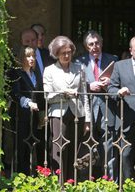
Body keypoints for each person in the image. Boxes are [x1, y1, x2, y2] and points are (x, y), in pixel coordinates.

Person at [43, 36, 90, 181]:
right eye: (63, 52)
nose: (67, 55)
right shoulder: (49, 70)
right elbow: (47, 96)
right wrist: (64, 94)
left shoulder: (79, 68)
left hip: (77, 114)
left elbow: (84, 95)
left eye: (69, 52)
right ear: (56, 53)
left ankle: (72, 183)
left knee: (74, 151)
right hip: (58, 114)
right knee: (59, 150)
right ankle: (59, 183)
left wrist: (87, 119)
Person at [75, 30, 118, 180]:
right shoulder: (79, 62)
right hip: (88, 110)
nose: (95, 47)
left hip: (108, 109)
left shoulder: (113, 59)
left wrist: (111, 82)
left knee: (109, 145)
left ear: (102, 43)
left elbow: (119, 80)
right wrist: (89, 86)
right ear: (86, 46)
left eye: (97, 43)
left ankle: (110, 181)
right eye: (91, 44)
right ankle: (84, 181)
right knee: (87, 145)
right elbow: (76, 85)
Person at [21, 28, 55, 167]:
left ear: (38, 40)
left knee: (45, 142)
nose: (31, 43)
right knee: (25, 143)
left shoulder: (48, 54)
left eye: (33, 40)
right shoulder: (19, 59)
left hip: (46, 105)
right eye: (27, 41)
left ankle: (44, 173)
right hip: (27, 109)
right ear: (22, 42)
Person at [107, 36, 135, 181]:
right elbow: (111, 88)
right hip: (127, 120)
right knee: (125, 155)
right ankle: (128, 186)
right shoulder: (120, 65)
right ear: (131, 50)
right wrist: (118, 92)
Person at [10, 46, 40, 175]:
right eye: (28, 56)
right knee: (20, 147)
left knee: (30, 145)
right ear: (22, 58)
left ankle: (28, 175)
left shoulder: (36, 74)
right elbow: (15, 94)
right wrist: (28, 102)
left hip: (33, 116)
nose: (31, 59)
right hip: (20, 116)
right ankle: (18, 175)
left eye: (33, 56)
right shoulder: (16, 73)